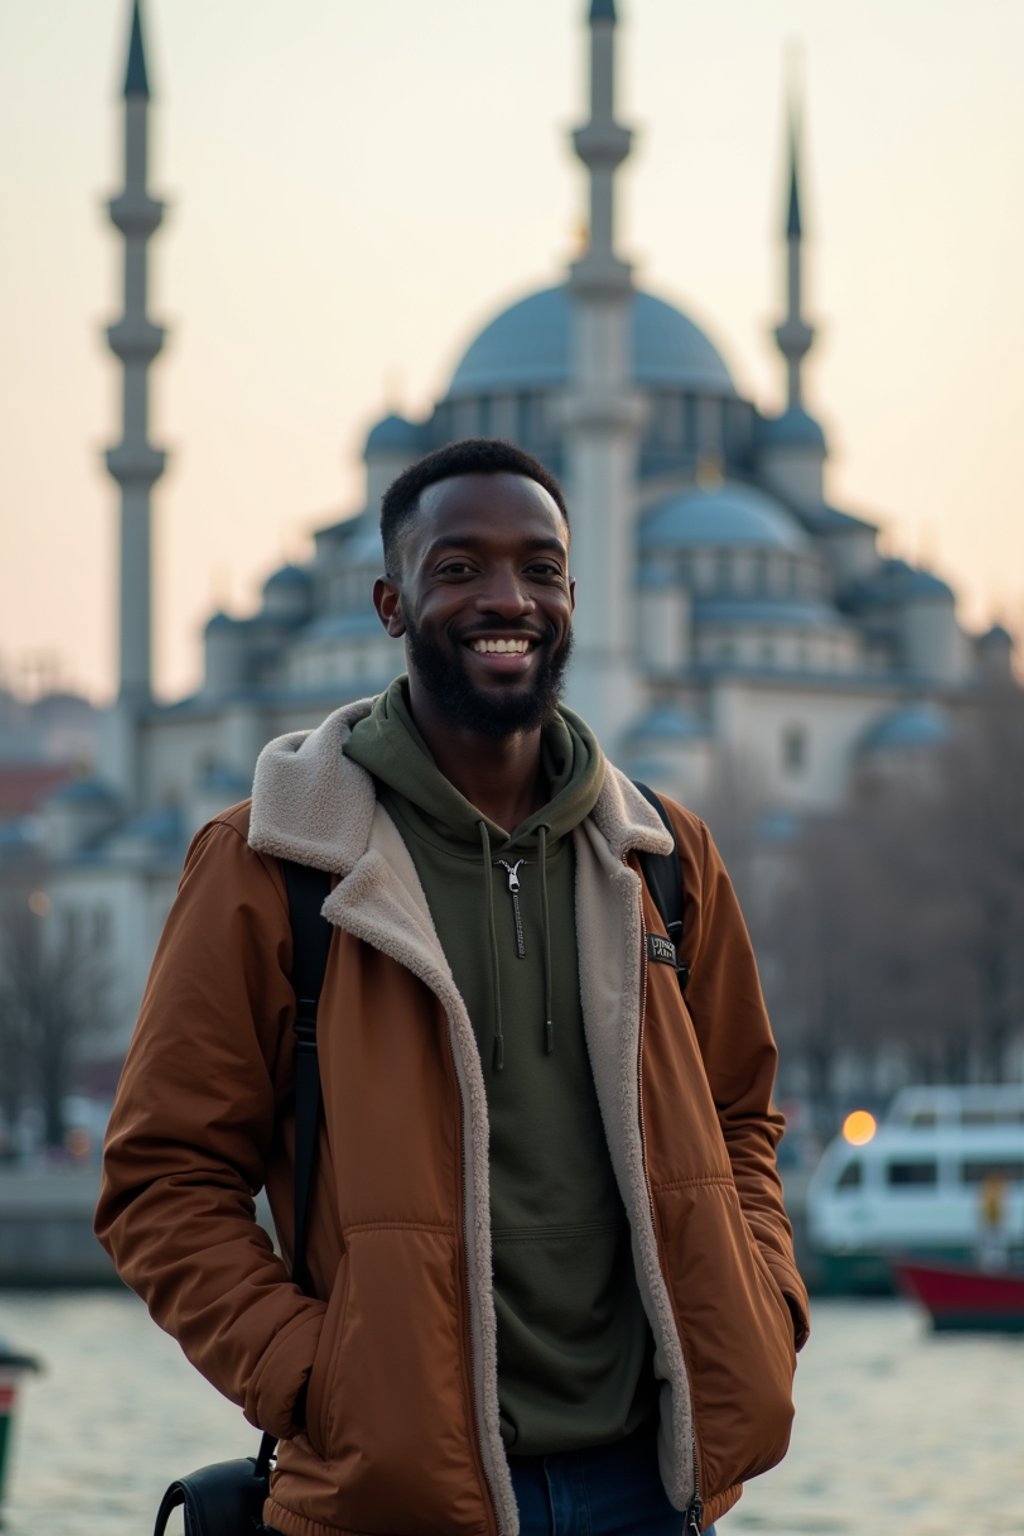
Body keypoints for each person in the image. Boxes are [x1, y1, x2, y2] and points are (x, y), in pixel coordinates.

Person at [96, 438, 809, 1536]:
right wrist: (320, 1380)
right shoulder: (274, 863)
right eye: (460, 567)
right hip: (398, 1491)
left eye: (539, 567)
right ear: (389, 601)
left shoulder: (663, 859)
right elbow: (162, 1178)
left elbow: (741, 1120)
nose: (506, 598)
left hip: (652, 1487)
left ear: (576, 592)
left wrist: (763, 1312)